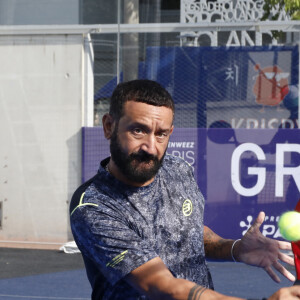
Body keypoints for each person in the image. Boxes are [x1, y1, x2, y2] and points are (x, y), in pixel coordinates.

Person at [70, 79, 299, 300]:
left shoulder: (178, 170)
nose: (150, 147)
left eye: (161, 134)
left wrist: (235, 248)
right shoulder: (93, 205)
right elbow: (161, 287)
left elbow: (188, 232)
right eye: (138, 131)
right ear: (109, 126)